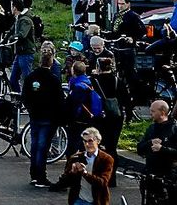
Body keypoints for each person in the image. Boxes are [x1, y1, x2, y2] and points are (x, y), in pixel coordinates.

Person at [22, 44, 65, 188]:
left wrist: (30, 109)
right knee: (43, 147)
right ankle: (40, 176)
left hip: (35, 116)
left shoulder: (31, 77)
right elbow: (59, 101)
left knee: (35, 145)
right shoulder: (53, 80)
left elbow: (25, 96)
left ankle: (34, 174)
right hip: (48, 117)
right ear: (51, 62)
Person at [136, 100, 177, 201]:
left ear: (163, 113)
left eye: (153, 111)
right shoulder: (151, 128)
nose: (150, 113)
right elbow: (140, 149)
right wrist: (150, 142)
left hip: (169, 176)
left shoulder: (175, 130)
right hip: (152, 174)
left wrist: (162, 149)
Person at [54, 127, 114, 205]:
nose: (87, 144)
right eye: (85, 141)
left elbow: (102, 183)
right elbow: (63, 184)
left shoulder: (106, 159)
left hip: (97, 201)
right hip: (78, 200)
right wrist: (72, 172)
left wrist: (85, 173)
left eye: (90, 141)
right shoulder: (76, 158)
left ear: (98, 141)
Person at [66, 62, 101, 157]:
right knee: (84, 143)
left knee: (73, 144)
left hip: (79, 118)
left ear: (73, 71)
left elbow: (73, 102)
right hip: (89, 117)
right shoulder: (89, 82)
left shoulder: (77, 86)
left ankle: (72, 166)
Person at [10, 0, 37, 91]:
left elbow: (22, 35)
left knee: (27, 79)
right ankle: (18, 98)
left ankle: (30, 98)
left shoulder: (25, 20)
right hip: (19, 53)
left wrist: (12, 38)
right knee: (13, 79)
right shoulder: (18, 19)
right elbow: (11, 31)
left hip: (26, 52)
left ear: (15, 8)